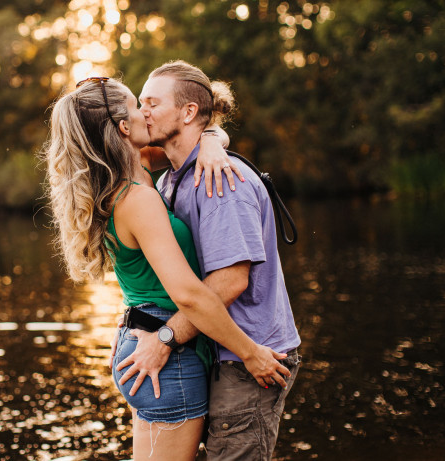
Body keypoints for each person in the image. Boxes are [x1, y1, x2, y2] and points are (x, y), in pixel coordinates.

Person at [44, 76, 291, 461]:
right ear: (125, 127)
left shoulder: (133, 169)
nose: (145, 111)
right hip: (165, 348)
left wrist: (210, 140)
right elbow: (189, 295)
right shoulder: (137, 198)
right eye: (136, 105)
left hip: (141, 333)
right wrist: (250, 352)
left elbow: (190, 138)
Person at [117, 60, 302, 461]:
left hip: (250, 357)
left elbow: (230, 282)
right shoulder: (170, 176)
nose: (141, 112)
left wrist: (165, 338)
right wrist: (214, 137)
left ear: (187, 113)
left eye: (151, 103)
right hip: (213, 349)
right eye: (139, 103)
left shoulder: (221, 182)